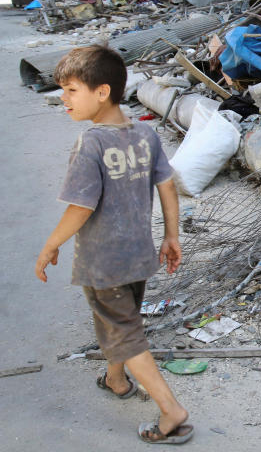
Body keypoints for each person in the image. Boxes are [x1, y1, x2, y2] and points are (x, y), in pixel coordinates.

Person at [35, 45, 193, 445]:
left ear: (101, 92)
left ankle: (171, 410)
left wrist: (50, 245)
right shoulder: (145, 133)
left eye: (71, 91)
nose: (64, 100)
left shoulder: (91, 143)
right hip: (138, 255)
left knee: (123, 332)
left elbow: (80, 208)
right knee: (117, 324)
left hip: (103, 261)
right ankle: (116, 378)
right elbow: (167, 186)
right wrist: (172, 236)